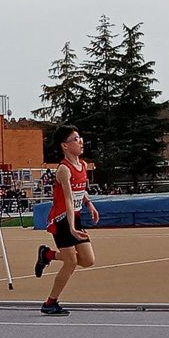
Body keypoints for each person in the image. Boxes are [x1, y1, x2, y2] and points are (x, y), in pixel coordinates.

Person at [34, 125, 99, 315]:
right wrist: (70, 227)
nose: (81, 142)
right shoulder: (63, 169)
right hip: (61, 219)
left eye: (80, 138)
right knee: (70, 262)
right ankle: (50, 303)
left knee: (88, 260)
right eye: (76, 139)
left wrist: (89, 203)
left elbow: (80, 190)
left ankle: (47, 255)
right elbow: (68, 200)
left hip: (75, 216)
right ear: (65, 145)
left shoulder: (83, 165)